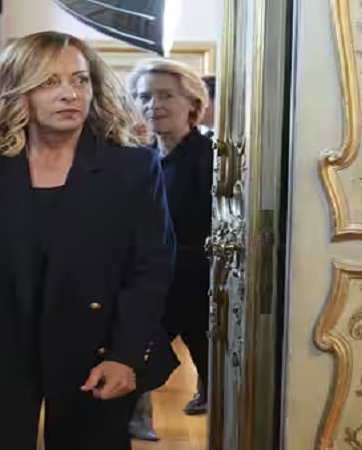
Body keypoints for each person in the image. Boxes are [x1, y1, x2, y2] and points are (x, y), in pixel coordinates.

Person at [0, 31, 179, 450]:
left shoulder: (133, 169)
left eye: (80, 80)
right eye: (49, 82)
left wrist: (126, 355)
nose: (69, 94)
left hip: (95, 353)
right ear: (16, 91)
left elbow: (149, 271)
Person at [128, 58, 214, 432]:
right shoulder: (139, 158)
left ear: (192, 103)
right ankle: (135, 416)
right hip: (150, 276)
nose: (154, 105)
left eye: (166, 96)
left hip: (194, 281)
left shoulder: (210, 158)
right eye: (145, 97)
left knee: (161, 347)